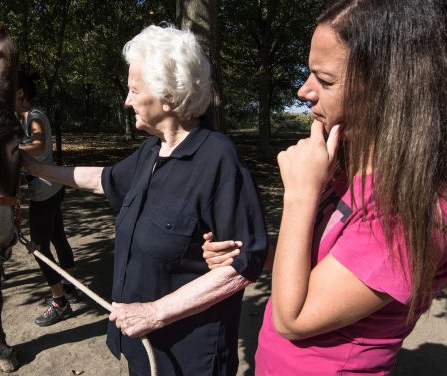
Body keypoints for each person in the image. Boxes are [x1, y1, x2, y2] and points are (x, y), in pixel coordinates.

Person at [202, 0, 447, 374]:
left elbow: (294, 318)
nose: (305, 91)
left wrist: (300, 194)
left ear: (395, 90)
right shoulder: (345, 166)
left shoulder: (418, 209)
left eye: (325, 80)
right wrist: (254, 252)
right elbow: (318, 265)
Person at [21, 25, 268, 375]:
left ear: (167, 94)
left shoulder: (218, 159)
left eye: (134, 90)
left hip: (190, 357)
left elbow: (243, 264)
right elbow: (103, 180)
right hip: (143, 344)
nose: (126, 100)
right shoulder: (152, 151)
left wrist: (154, 313)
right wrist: (34, 166)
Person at [16, 71, 81, 327]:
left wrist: (10, 149)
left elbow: (39, 146)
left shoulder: (33, 117)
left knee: (40, 249)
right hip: (51, 188)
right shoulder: (23, 118)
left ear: (21, 94)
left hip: (44, 192)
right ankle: (70, 286)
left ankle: (59, 302)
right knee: (58, 237)